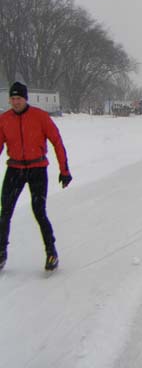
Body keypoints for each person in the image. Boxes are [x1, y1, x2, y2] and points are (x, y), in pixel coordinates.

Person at [0, 82, 72, 271]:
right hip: (15, 168)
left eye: (19, 98)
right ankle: (1, 253)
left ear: (25, 99)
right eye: (13, 99)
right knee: (5, 211)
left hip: (37, 168)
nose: (15, 102)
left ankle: (51, 252)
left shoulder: (40, 117)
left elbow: (57, 142)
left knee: (39, 211)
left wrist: (64, 171)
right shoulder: (4, 119)